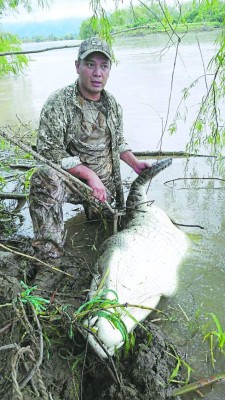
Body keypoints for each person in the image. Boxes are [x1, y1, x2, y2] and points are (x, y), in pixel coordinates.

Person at [29, 37, 150, 260]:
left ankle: (97, 216)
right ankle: (49, 256)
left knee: (106, 233)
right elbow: (49, 153)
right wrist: (89, 174)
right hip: (73, 182)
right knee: (43, 178)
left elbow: (119, 141)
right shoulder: (58, 103)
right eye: (90, 64)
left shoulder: (112, 105)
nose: (97, 73)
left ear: (109, 70)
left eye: (104, 66)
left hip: (105, 189)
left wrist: (135, 163)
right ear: (77, 66)